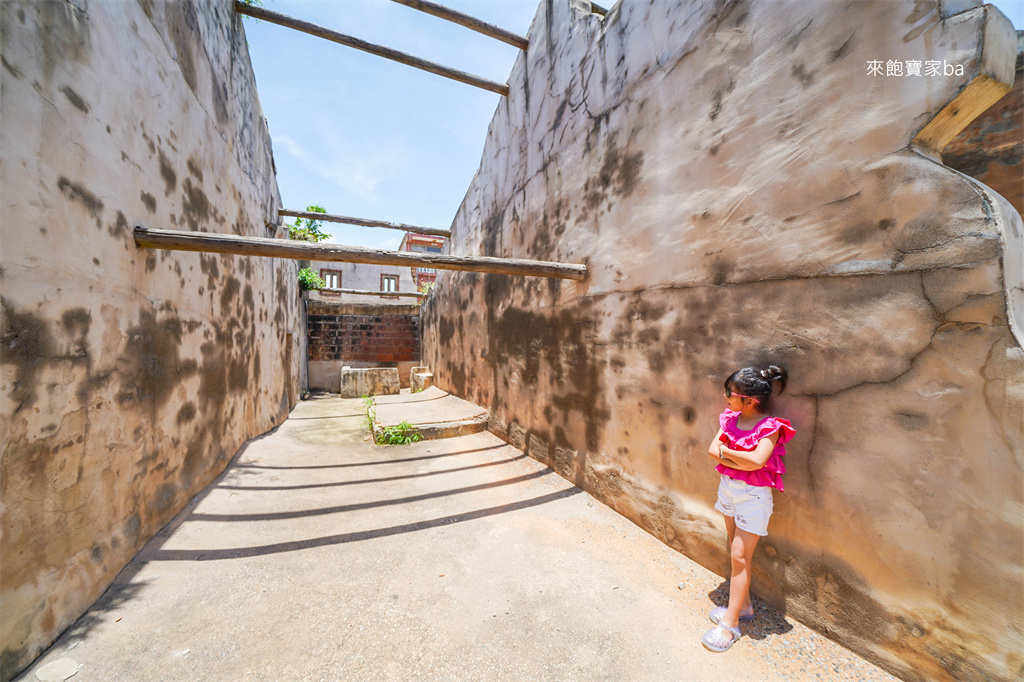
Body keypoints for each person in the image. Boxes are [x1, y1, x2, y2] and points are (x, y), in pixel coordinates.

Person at [701, 365, 795, 653]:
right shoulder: (730, 417)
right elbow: (711, 450)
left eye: (731, 393)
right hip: (728, 488)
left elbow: (756, 461)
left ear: (750, 400)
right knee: (734, 549)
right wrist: (740, 458)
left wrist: (728, 453)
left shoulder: (771, 427)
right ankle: (743, 606)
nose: (726, 398)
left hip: (753, 497)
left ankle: (730, 625)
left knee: (740, 557)